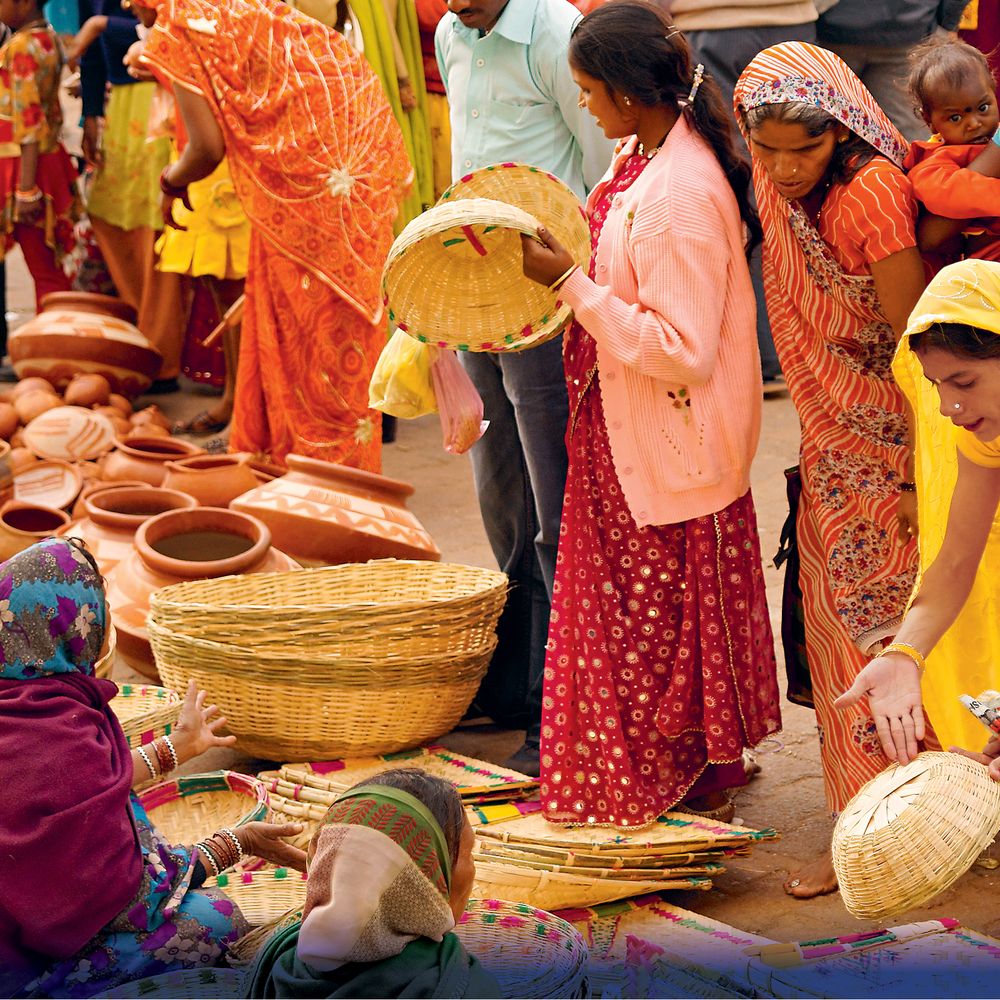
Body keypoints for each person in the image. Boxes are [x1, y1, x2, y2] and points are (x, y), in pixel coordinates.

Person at [519, 0, 781, 829]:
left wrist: (570, 286)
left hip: (664, 437)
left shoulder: (677, 196)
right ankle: (683, 765)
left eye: (590, 93)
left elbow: (682, 349)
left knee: (653, 619)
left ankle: (666, 772)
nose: (586, 109)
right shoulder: (643, 153)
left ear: (630, 96)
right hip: (628, 428)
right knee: (651, 617)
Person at [734, 42, 938, 898]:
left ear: (844, 128)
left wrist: (908, 470)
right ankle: (874, 832)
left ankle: (901, 836)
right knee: (839, 636)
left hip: (888, 453)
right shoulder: (768, 178)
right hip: (827, 446)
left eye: (803, 150)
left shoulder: (873, 196)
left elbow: (913, 344)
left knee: (886, 641)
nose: (782, 169)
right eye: (767, 147)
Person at [0, 537, 306, 998]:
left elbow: (81, 792)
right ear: (73, 628)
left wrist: (176, 748)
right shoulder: (60, 737)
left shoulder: (29, 712)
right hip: (24, 969)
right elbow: (128, 900)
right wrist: (232, 844)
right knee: (215, 920)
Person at [435, 0, 613, 775]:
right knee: (501, 497)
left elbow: (601, 173)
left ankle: (561, 709)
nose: (452, 3)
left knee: (555, 508)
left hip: (544, 300)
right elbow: (462, 161)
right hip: (476, 293)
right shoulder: (451, 33)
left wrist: (575, 286)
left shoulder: (555, 35)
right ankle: (515, 688)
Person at [138, 0, 411, 470]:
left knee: (309, 327)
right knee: (324, 320)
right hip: (358, 148)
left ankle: (318, 478)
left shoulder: (177, 23)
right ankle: (322, 475)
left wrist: (170, 182)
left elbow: (205, 148)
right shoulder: (229, 6)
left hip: (312, 175)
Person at [838, 260, 1000, 766]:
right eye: (936, 386)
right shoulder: (983, 438)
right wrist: (903, 654)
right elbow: (953, 567)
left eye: (964, 382)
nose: (949, 406)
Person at [248, 768, 502, 998]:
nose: (472, 868)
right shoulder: (457, 986)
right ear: (423, 885)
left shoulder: (281, 955)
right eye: (468, 854)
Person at [671, 0, 819, 393]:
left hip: (706, 25)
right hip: (793, 23)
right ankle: (800, 351)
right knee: (797, 181)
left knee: (739, 181)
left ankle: (762, 353)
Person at [73, 1, 185, 391]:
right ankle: (140, 333)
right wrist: (89, 113)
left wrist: (103, 25)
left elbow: (175, 27)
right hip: (119, 108)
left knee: (161, 231)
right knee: (112, 218)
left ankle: (161, 356)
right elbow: (92, 49)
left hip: (160, 102)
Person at [0, 0, 77, 309]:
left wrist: (26, 188)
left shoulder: (21, 46)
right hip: (46, 160)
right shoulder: (49, 37)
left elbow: (29, 122)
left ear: (25, 3)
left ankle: (52, 345)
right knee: (48, 271)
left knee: (46, 273)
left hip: (21, 169)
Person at [904, 36, 1000, 267]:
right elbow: (950, 192)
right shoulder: (934, 160)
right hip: (983, 265)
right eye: (955, 117)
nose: (974, 123)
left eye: (983, 108)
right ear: (930, 121)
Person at [816, 0, 970, 141]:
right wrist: (947, 23)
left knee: (821, 128)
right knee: (907, 135)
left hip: (833, 24)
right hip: (911, 24)